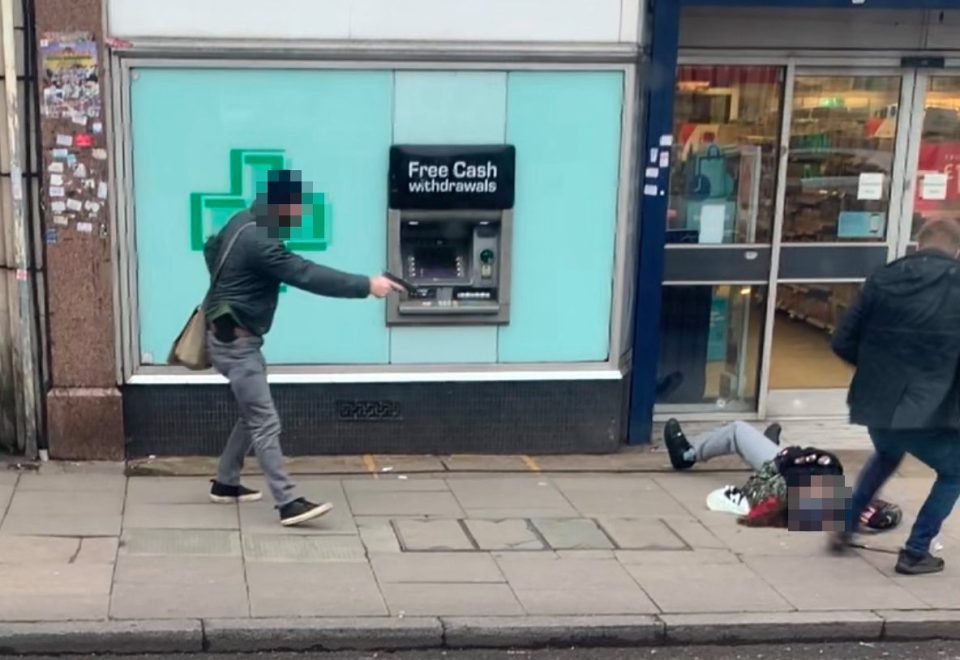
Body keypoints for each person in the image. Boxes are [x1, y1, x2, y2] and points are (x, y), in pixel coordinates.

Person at [202, 169, 403, 527]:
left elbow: (212, 247)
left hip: (227, 334)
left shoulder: (242, 221)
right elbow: (306, 274)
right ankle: (288, 501)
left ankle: (226, 482)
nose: (299, 217)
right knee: (265, 421)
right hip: (236, 343)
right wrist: (367, 285)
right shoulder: (262, 243)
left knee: (252, 413)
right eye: (296, 210)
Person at [830, 218, 960, 575]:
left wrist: (876, 371)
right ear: (957, 251)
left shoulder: (882, 277)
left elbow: (842, 340)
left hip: (877, 404)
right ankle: (917, 551)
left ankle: (846, 528)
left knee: (887, 453)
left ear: (917, 245)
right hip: (931, 408)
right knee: (954, 472)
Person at [665, 419, 900, 531]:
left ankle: (687, 454)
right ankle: (769, 446)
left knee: (737, 431)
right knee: (776, 453)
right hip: (790, 478)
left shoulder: (824, 504)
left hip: (784, 474)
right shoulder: (829, 505)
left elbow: (782, 470)